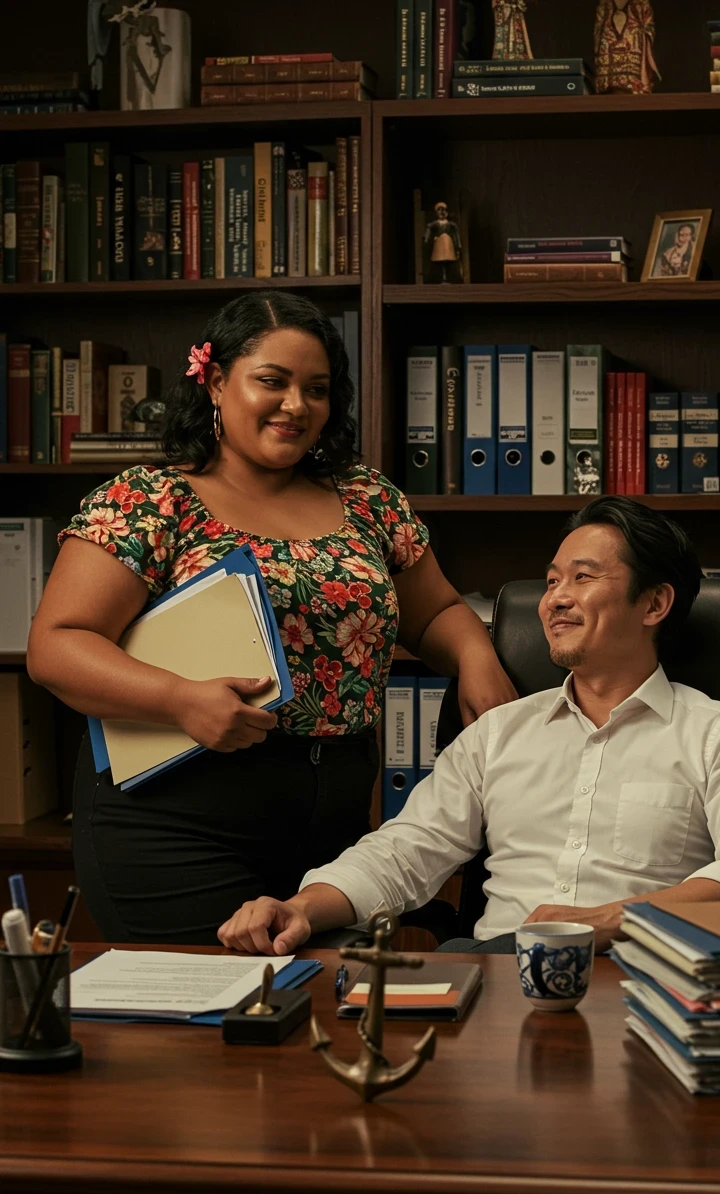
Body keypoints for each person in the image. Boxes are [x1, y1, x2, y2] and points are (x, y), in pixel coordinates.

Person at [27, 291, 516, 945]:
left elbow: (438, 615)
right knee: (212, 1028)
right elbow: (56, 646)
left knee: (311, 1021)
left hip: (334, 827)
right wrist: (179, 699)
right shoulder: (149, 499)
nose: (296, 406)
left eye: (316, 389)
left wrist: (475, 654)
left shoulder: (367, 499)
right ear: (217, 382)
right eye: (272, 381)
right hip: (177, 820)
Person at [218, 497, 720, 958]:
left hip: (645, 980)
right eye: (551, 581)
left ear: (653, 605)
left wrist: (611, 919)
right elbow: (404, 851)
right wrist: (301, 907)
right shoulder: (499, 734)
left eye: (582, 578)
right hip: (500, 976)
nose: (555, 600)